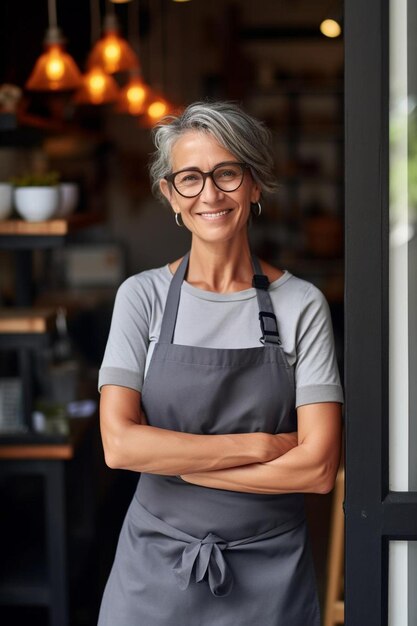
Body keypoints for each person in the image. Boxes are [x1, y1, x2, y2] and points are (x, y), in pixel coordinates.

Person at [97, 101, 343, 626]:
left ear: (254, 185)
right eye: (189, 178)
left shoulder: (302, 304)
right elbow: (119, 446)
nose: (209, 194)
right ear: (170, 196)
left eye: (226, 173)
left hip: (271, 572)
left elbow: (318, 468)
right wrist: (256, 448)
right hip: (154, 571)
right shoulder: (140, 297)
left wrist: (175, 461)